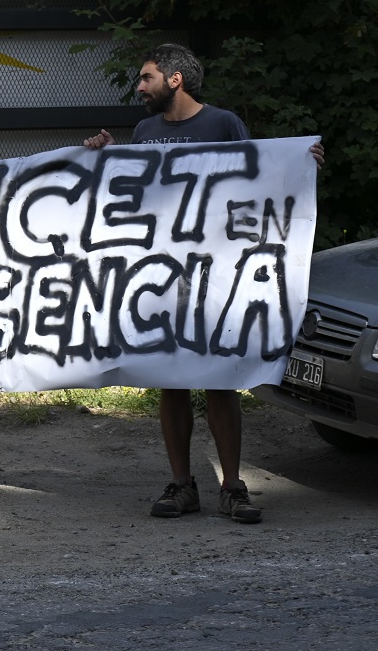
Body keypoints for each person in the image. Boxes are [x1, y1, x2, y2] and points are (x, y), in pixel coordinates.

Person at [84, 43, 324, 524]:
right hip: (159, 280)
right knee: (169, 384)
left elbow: (256, 182)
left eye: (147, 77)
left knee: (219, 382)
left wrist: (301, 165)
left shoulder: (223, 124)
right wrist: (104, 159)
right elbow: (137, 193)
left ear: (175, 80)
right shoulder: (145, 131)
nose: (140, 87)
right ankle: (182, 485)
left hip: (216, 279)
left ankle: (232, 487)